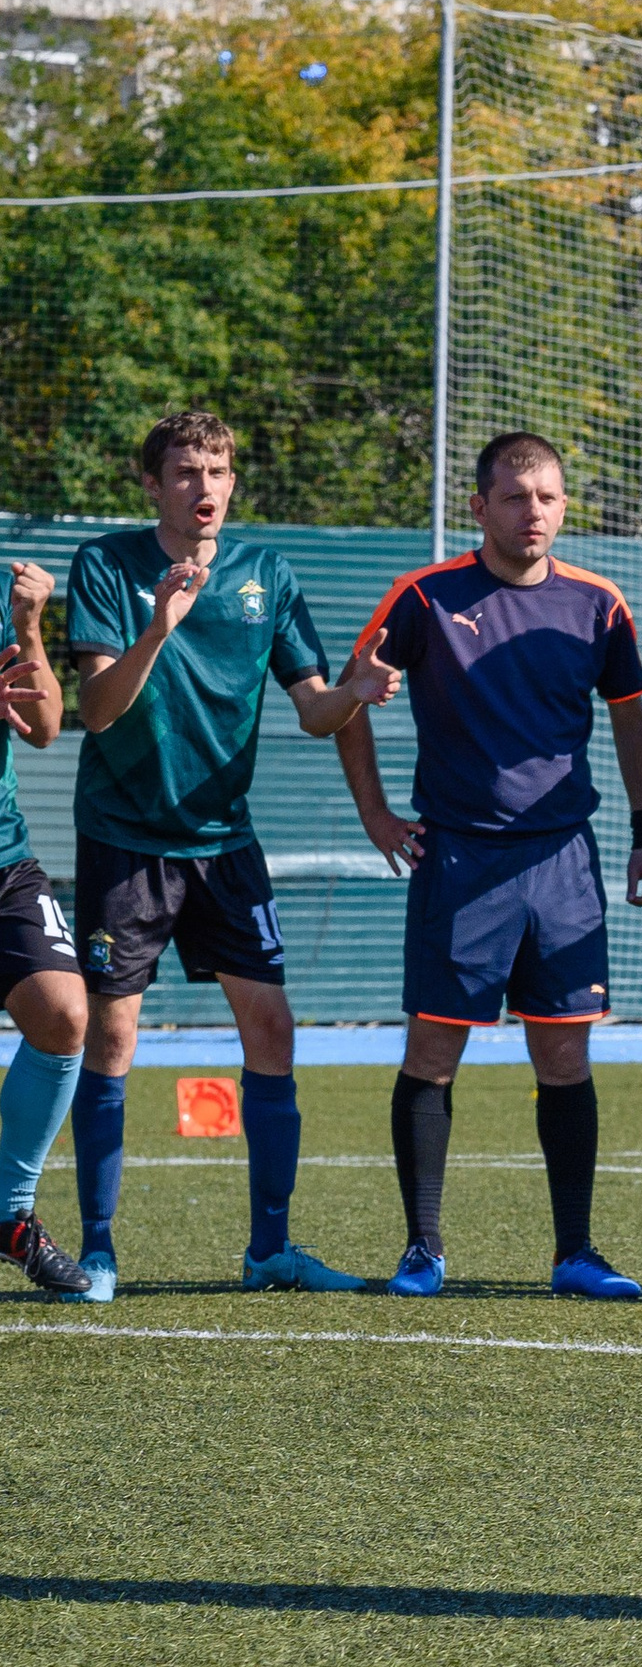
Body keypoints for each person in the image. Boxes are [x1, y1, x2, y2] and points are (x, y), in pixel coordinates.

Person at [63, 411, 391, 1299]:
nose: (203, 488)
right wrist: (161, 624)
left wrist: (355, 690)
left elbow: (314, 709)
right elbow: (95, 712)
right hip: (125, 838)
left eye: (217, 471)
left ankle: (270, 1252)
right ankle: (97, 1250)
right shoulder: (105, 564)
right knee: (114, 1036)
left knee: (273, 1029)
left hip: (226, 843)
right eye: (184, 472)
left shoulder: (266, 575)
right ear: (151, 484)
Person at [335, 432, 642, 1299]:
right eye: (516, 497)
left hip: (564, 864)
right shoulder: (424, 595)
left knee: (565, 1064)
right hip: (461, 861)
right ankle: (424, 1247)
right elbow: (346, 696)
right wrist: (375, 814)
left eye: (549, 497)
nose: (535, 512)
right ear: (480, 507)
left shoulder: (599, 604)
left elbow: (632, 719)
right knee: (432, 1056)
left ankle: (576, 1253)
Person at [0, 560, 92, 1293]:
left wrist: (29, 624)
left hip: (5, 863)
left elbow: (45, 728)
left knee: (63, 1015)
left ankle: (12, 1215)